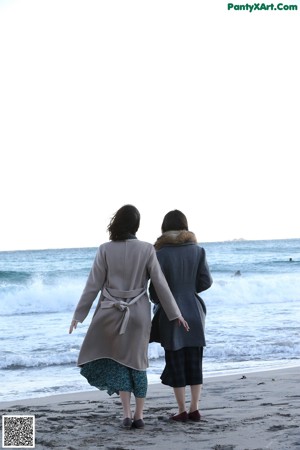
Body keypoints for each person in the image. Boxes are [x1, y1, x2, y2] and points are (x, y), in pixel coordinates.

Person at [69, 205, 189, 430]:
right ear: (136, 225)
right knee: (138, 364)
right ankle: (139, 415)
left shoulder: (104, 249)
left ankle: (126, 414)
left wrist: (79, 315)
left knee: (120, 363)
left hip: (110, 313)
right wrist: (176, 314)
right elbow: (160, 285)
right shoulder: (146, 249)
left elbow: (92, 286)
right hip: (138, 315)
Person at [149, 210, 213, 422]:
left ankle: (181, 410)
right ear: (186, 227)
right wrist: (189, 290)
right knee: (195, 361)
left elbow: (153, 292)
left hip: (170, 314)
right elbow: (206, 282)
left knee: (175, 361)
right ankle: (195, 408)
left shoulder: (159, 254)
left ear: (164, 229)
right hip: (194, 312)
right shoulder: (198, 250)